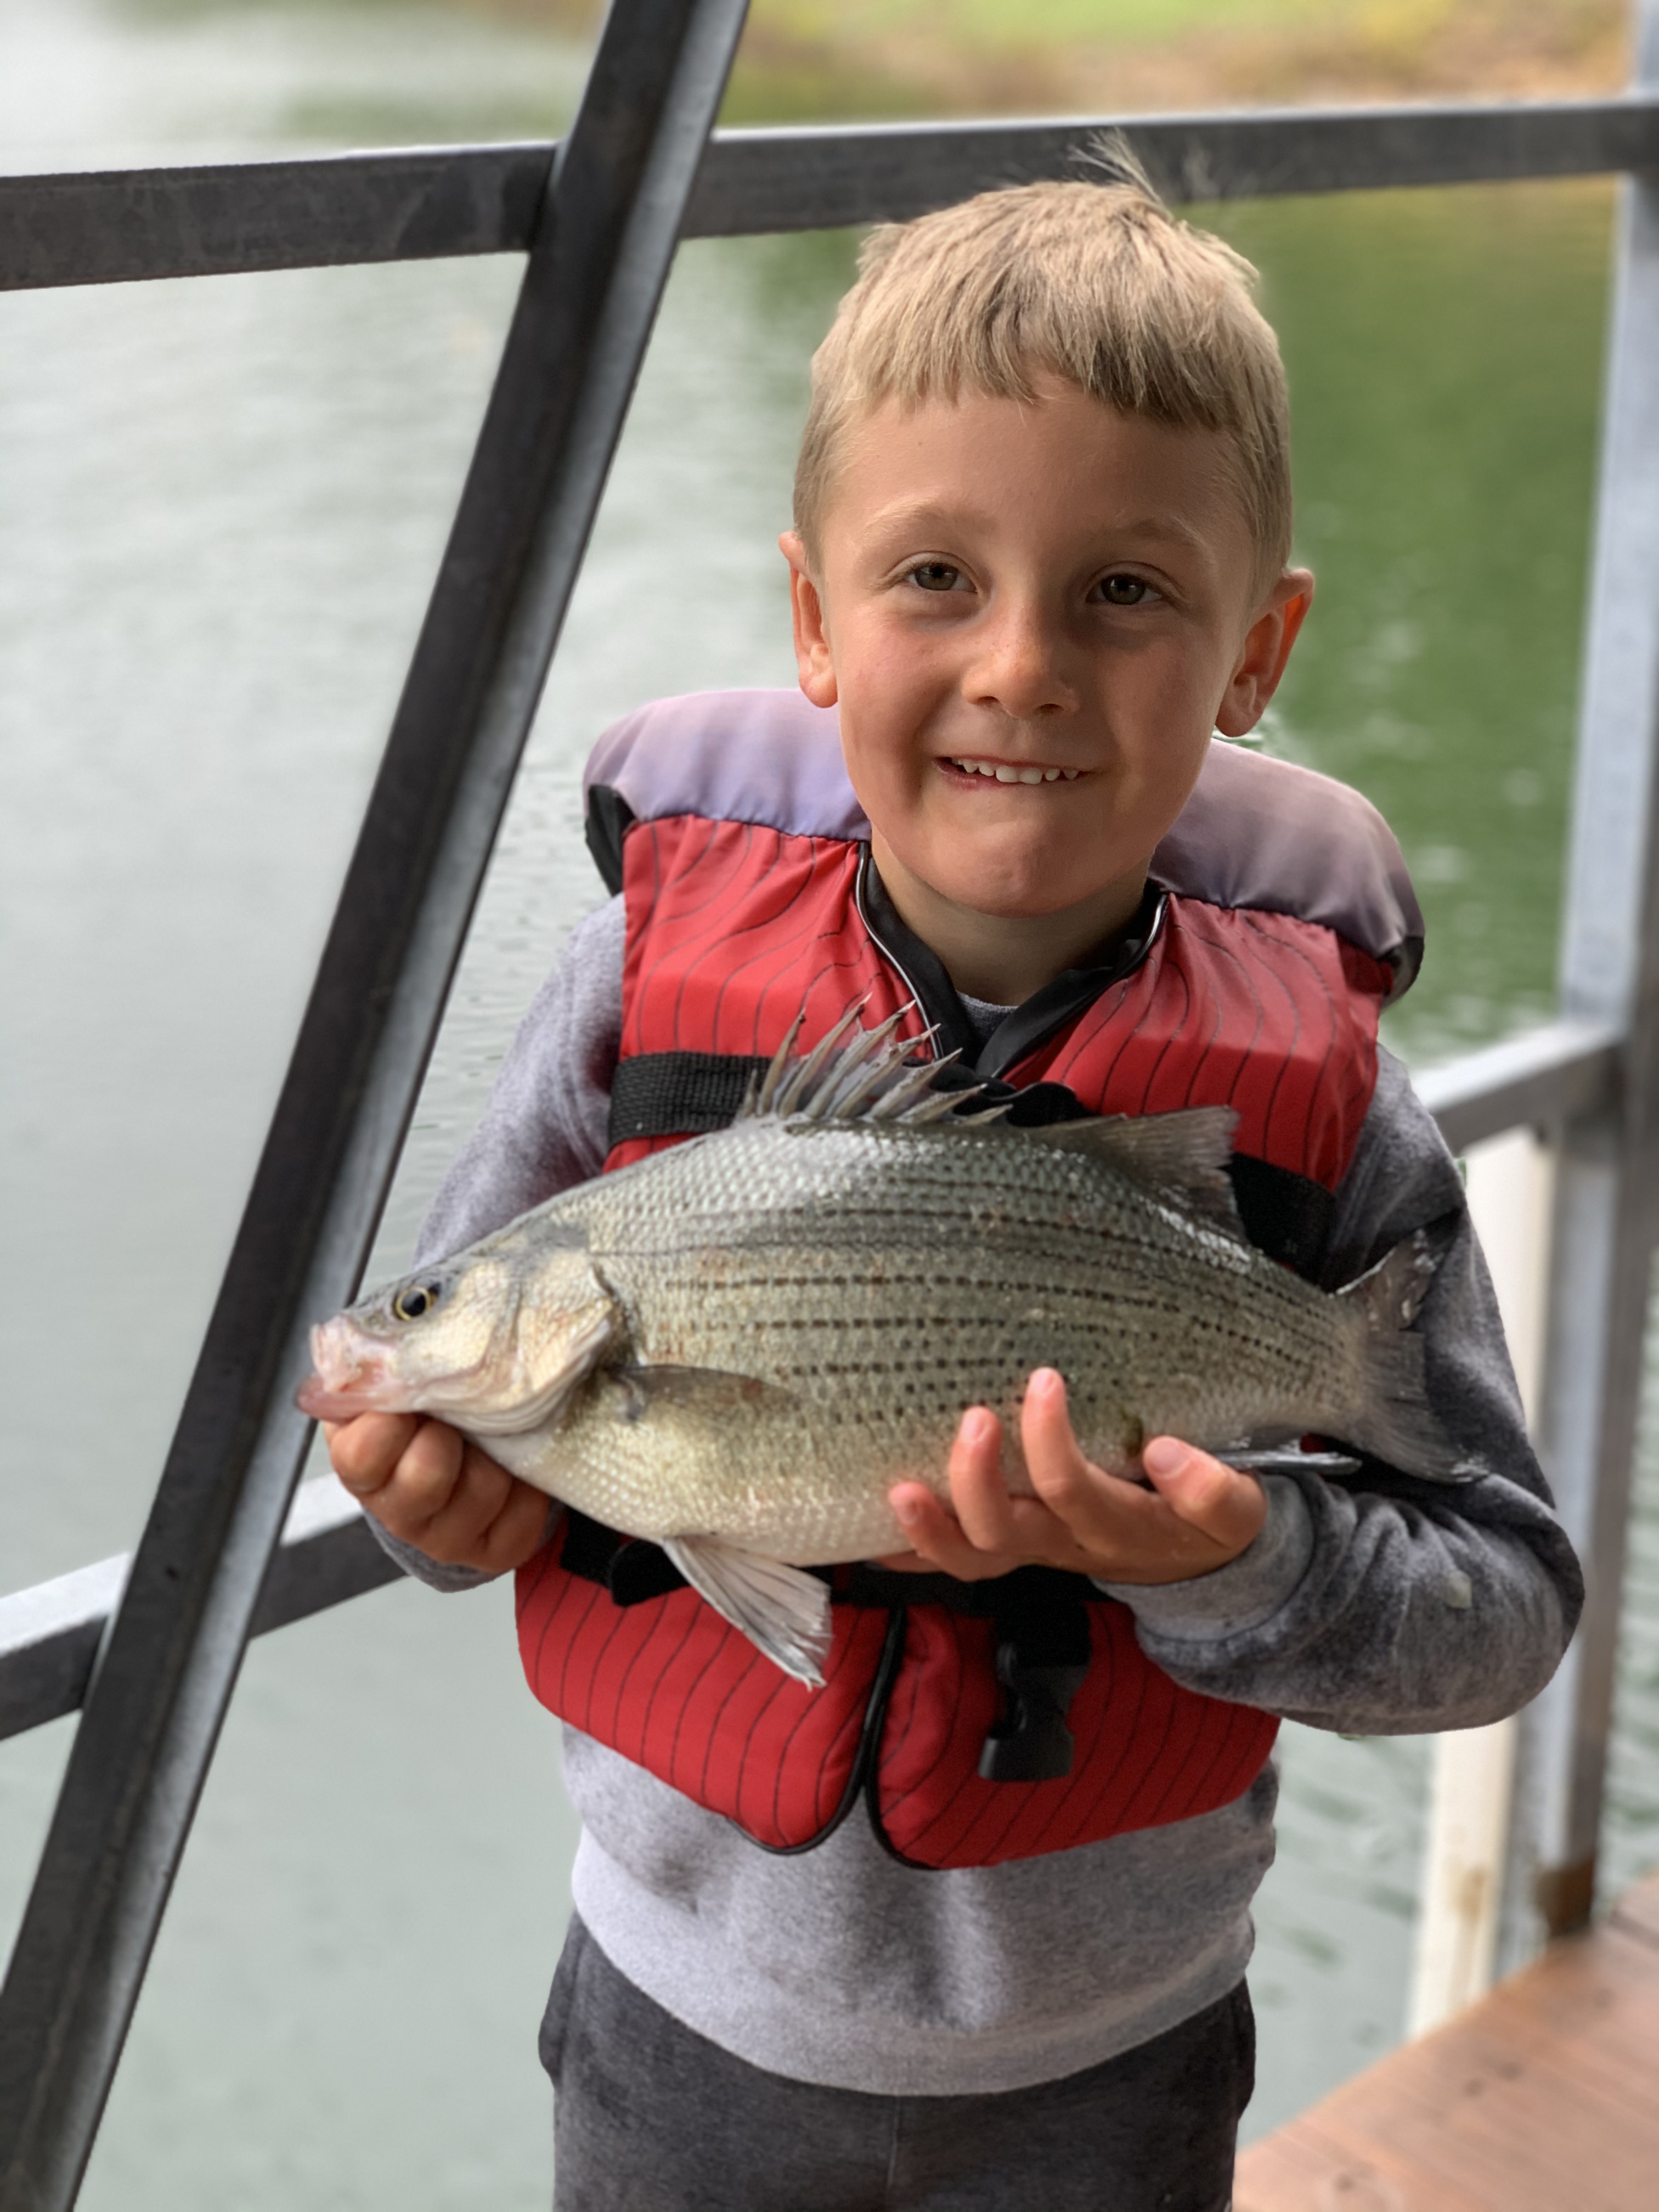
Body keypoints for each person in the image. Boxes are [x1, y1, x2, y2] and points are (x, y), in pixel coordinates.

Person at [323, 159, 1582, 2211]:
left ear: (1257, 654)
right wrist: (436, 1498)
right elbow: (466, 1447)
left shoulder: (1340, 1112)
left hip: (1121, 2058)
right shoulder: (638, 991)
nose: (1021, 666)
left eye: (1123, 591)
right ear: (814, 619)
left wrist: (1231, 1557)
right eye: (934, 580)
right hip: (681, 2029)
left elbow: (1501, 1617)